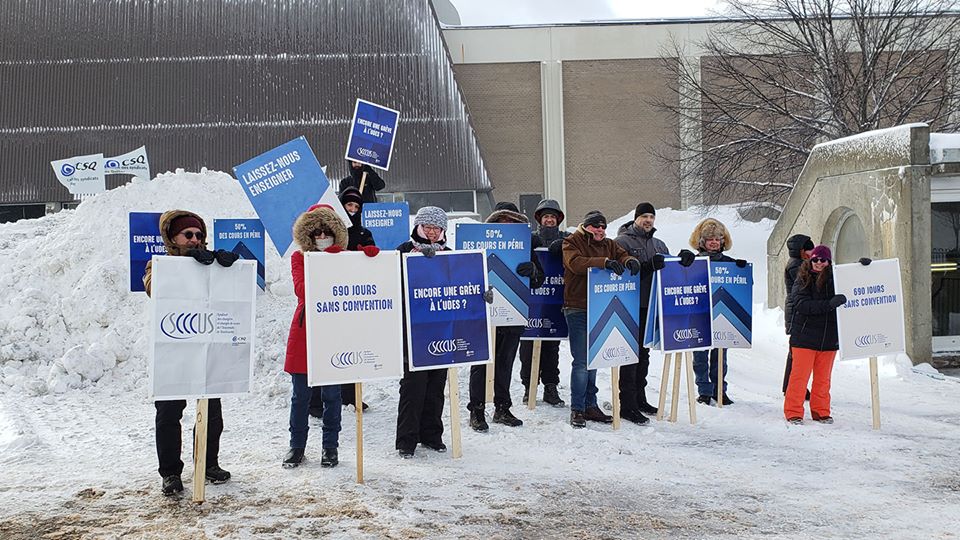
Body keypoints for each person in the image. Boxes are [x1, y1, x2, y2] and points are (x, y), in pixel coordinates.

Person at [143, 210, 239, 496]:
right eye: (188, 235)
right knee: (169, 413)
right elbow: (151, 286)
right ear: (173, 238)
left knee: (211, 411)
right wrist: (184, 265)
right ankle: (171, 472)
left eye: (199, 235)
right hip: (174, 349)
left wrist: (227, 269)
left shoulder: (211, 263)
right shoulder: (159, 265)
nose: (195, 240)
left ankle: (208, 462)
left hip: (206, 346)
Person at [283, 203, 372, 469]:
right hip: (305, 332)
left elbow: (366, 283)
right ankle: (296, 446)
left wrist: (370, 260)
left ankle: (330, 447)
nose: (322, 238)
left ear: (336, 234)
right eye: (316, 233)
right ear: (308, 236)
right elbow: (302, 290)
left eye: (327, 232)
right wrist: (324, 264)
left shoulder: (346, 257)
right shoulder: (300, 258)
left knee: (332, 395)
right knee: (300, 396)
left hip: (335, 331)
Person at [468, 202, 545, 432]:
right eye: (503, 221)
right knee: (481, 364)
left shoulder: (525, 246)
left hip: (512, 312)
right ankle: (477, 410)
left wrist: (533, 270)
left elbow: (539, 279)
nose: (507, 225)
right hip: (484, 314)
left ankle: (502, 407)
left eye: (512, 222)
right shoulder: (477, 244)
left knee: (505, 364)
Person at [561, 210, 641, 428]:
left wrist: (630, 260)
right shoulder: (571, 241)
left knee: (594, 359)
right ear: (586, 226)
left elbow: (622, 253)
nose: (600, 230)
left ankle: (590, 405)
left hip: (600, 307)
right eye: (596, 226)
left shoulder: (609, 243)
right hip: (576, 307)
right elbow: (575, 263)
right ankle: (577, 408)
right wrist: (603, 263)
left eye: (604, 227)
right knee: (581, 362)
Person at [309, 187, 376, 418]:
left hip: (353, 300)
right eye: (349, 205)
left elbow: (373, 266)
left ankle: (351, 395)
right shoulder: (328, 232)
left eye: (357, 207)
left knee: (351, 347)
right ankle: (316, 401)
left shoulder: (364, 232)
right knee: (324, 350)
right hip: (327, 300)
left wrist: (367, 256)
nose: (353, 209)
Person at [395, 206, 452, 457]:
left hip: (441, 330)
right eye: (426, 227)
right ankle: (406, 439)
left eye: (435, 228)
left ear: (442, 231)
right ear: (417, 227)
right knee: (413, 386)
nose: (430, 232)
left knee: (436, 385)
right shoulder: (403, 252)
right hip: (412, 329)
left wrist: (482, 294)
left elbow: (463, 284)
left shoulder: (451, 255)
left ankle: (431, 434)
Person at [784, 245, 862, 424]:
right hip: (804, 338)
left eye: (823, 260)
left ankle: (821, 411)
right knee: (799, 378)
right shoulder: (802, 279)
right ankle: (793, 412)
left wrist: (862, 267)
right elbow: (802, 305)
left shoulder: (836, 278)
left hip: (828, 339)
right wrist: (830, 304)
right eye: (816, 259)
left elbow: (854, 281)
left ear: (829, 262)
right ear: (811, 260)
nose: (819, 263)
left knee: (823, 380)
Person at [613, 202, 672, 423]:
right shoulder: (622, 241)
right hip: (630, 305)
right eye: (644, 216)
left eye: (651, 217)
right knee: (630, 354)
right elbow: (622, 272)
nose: (648, 220)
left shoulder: (659, 244)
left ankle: (640, 398)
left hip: (651, 305)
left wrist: (685, 260)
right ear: (636, 218)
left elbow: (670, 271)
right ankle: (627, 404)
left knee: (644, 354)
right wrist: (647, 266)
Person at [688, 218, 748, 406]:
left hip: (722, 315)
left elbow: (742, 290)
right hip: (699, 315)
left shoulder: (730, 264)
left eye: (717, 238)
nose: (714, 242)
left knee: (720, 355)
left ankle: (719, 390)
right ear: (702, 241)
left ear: (723, 241)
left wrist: (742, 271)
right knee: (700, 356)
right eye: (710, 238)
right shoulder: (693, 262)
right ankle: (704, 390)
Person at [519, 199, 568, 407]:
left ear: (558, 220)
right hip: (530, 302)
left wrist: (565, 245)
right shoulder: (531, 240)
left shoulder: (567, 238)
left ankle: (551, 386)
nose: (549, 220)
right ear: (540, 219)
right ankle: (528, 387)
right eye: (546, 216)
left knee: (551, 347)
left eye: (553, 217)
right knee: (527, 347)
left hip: (554, 303)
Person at [783, 234, 814, 399]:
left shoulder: (800, 263)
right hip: (796, 312)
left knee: (794, 352)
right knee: (796, 352)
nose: (812, 253)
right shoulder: (797, 266)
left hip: (795, 311)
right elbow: (808, 286)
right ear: (801, 251)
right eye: (809, 250)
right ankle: (792, 387)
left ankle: (790, 386)